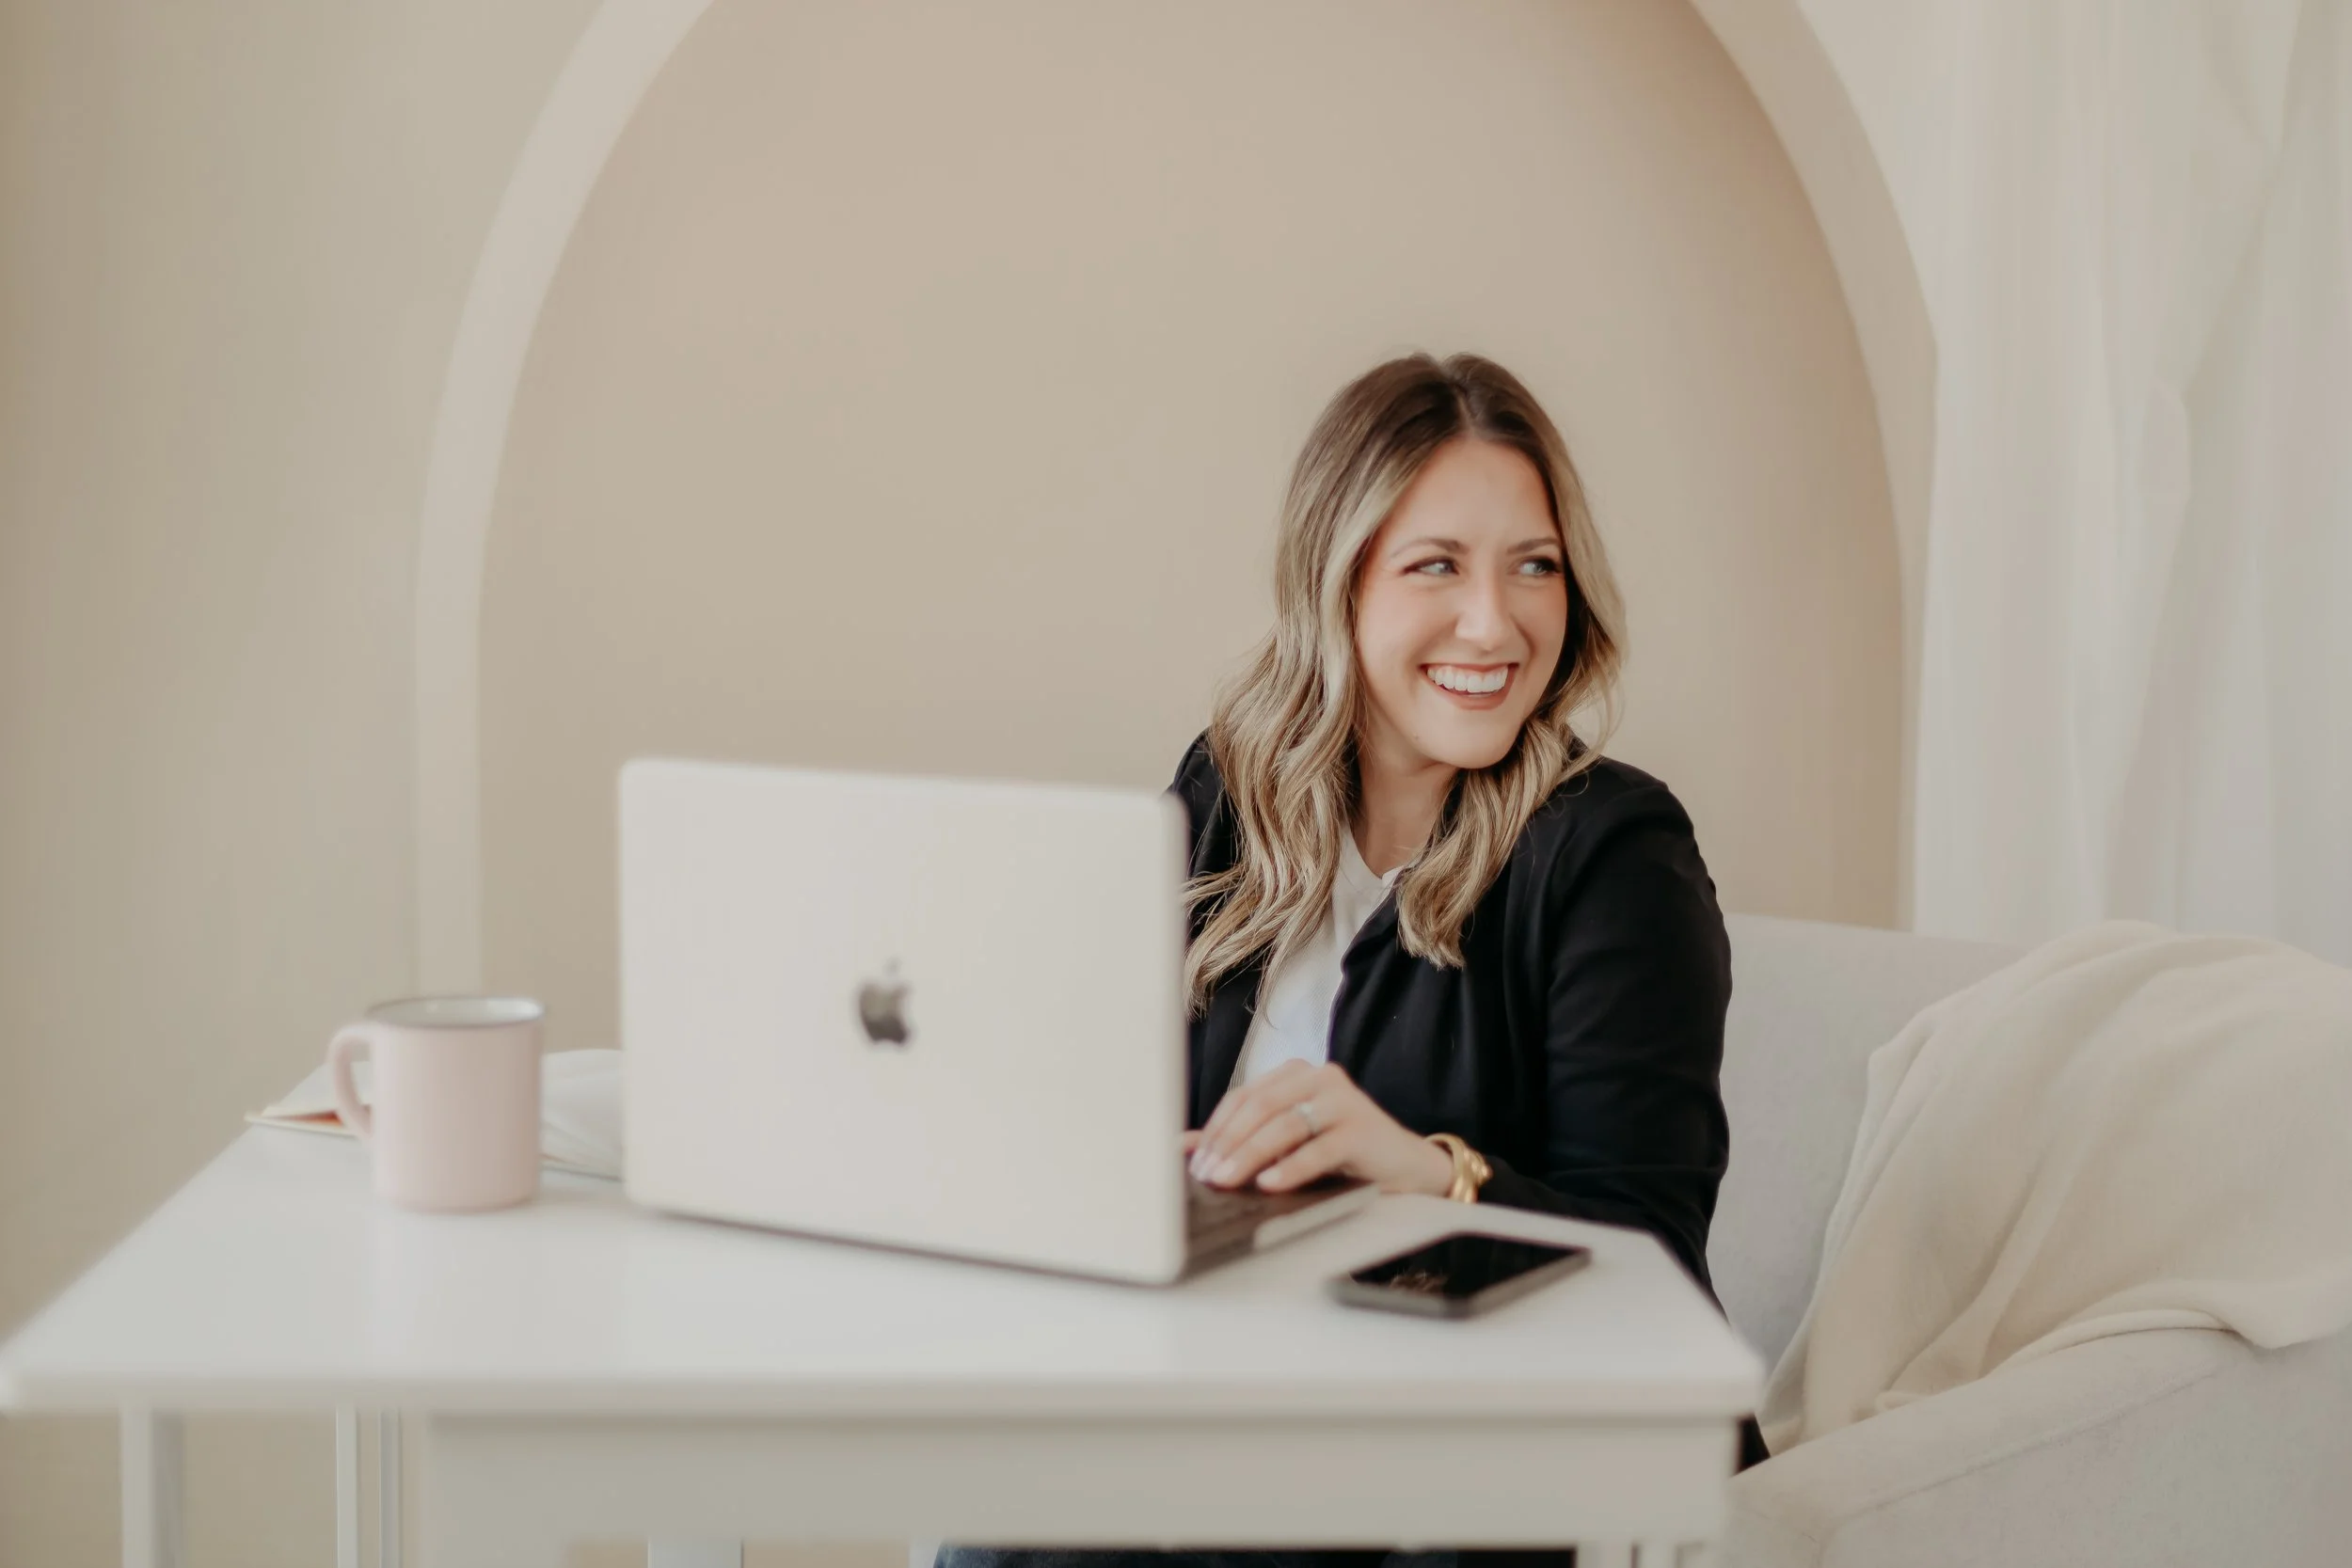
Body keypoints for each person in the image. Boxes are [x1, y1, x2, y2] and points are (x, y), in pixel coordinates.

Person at [940, 352, 1762, 1568]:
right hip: (1243, 1400)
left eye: (1533, 565)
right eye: (1438, 564)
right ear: (1339, 582)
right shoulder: (1229, 793)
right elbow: (1125, 1102)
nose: (1498, 621)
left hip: (1504, 1452)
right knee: (1018, 1531)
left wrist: (1425, 1173)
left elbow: (1654, 1265)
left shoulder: (1612, 855)